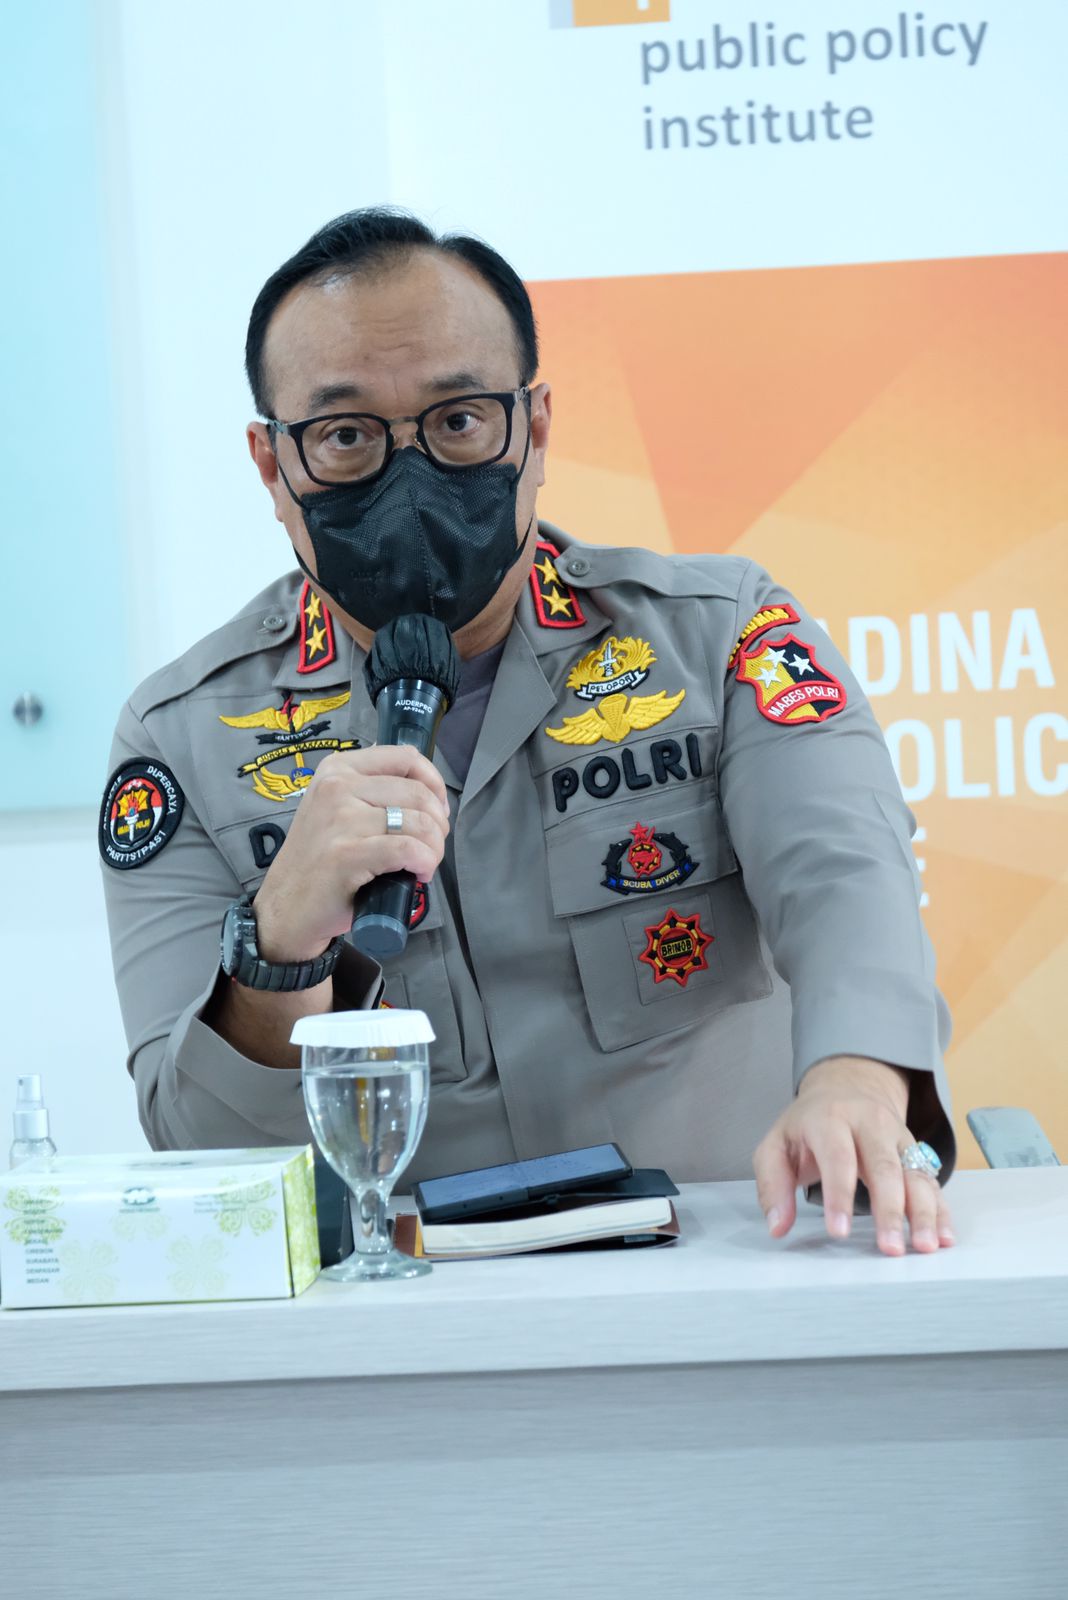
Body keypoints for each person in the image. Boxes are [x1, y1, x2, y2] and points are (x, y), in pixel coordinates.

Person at [101, 207, 956, 1257]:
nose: (409, 476)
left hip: (730, 1263)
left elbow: (844, 874)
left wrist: (856, 1079)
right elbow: (200, 1150)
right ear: (273, 466)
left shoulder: (720, 635)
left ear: (535, 427)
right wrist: (278, 945)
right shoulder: (181, 737)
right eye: (345, 436)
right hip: (410, 1305)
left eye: (459, 419)